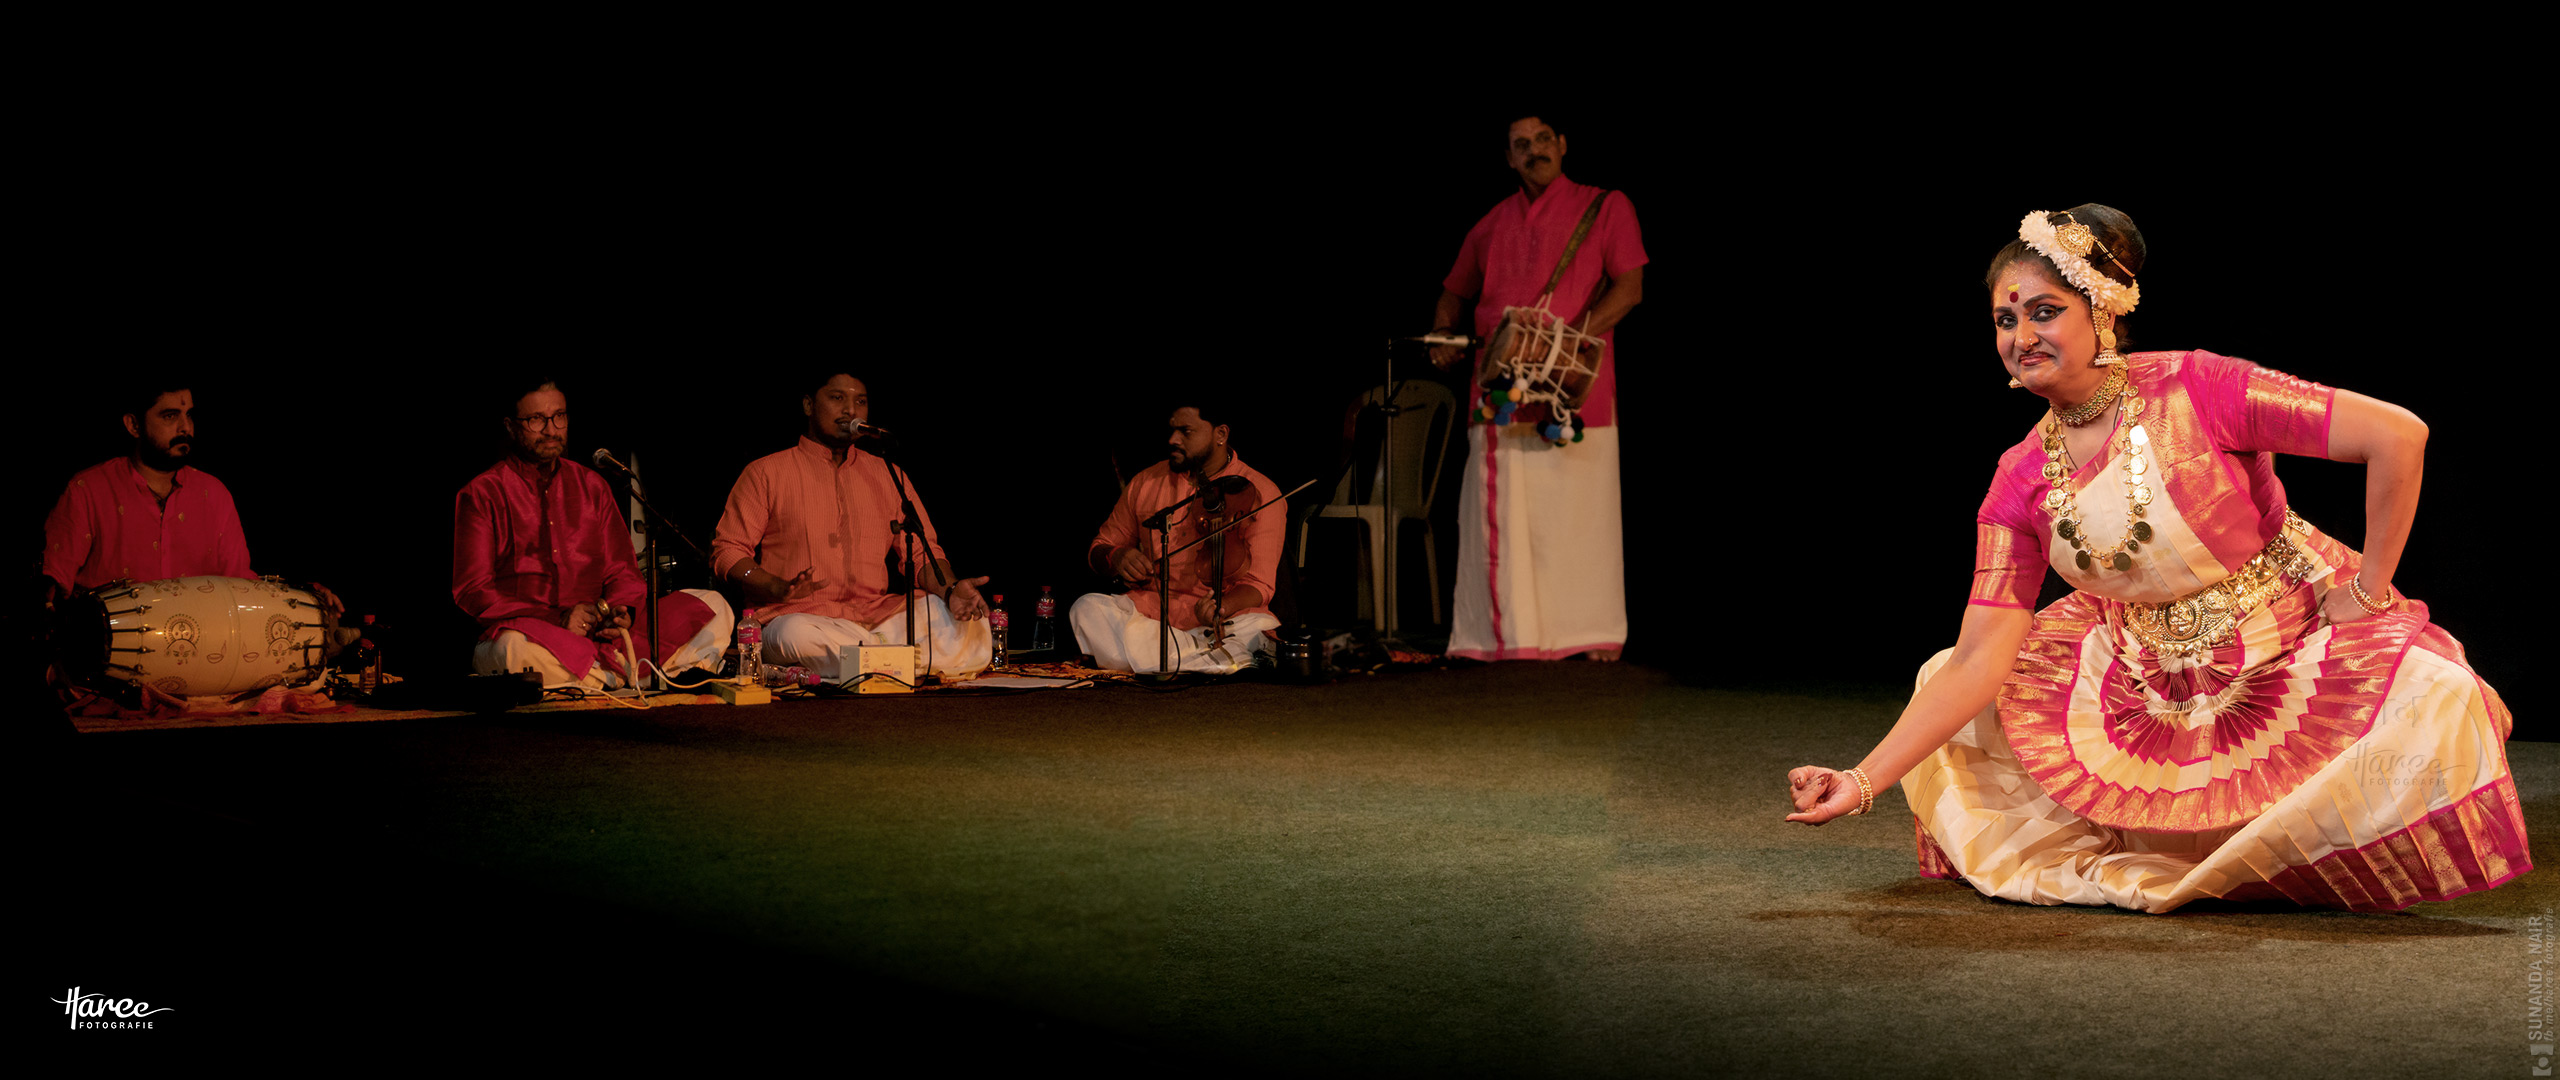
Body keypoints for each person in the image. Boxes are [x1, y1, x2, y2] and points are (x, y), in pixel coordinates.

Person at [1783, 206, 2526, 913]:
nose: (2020, 336)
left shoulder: (2199, 388)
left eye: (2044, 312)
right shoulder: (2018, 477)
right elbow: (1981, 657)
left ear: (2102, 313)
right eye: (2005, 321)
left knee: (2438, 698)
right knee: (1939, 675)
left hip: (2289, 638)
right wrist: (1862, 778)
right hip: (2140, 681)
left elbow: (2397, 436)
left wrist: (2369, 590)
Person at [1430, 112, 1646, 662]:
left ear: (1564, 145)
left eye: (1543, 139)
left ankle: (1589, 634)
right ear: (1509, 159)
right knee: (1505, 520)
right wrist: (1443, 333)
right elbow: (1454, 291)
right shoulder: (1492, 222)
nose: (1534, 150)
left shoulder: (1605, 206)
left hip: (1574, 391)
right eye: (1520, 145)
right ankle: (1504, 638)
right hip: (1501, 393)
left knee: (1578, 518)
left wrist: (1569, 341)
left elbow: (1630, 288)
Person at [452, 378, 733, 690]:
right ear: (510, 426)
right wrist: (556, 618)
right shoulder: (482, 493)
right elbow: (473, 591)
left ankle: (600, 678)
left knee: (712, 604)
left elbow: (622, 571)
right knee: (511, 650)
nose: (551, 429)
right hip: (536, 633)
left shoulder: (591, 486)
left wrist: (621, 610)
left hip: (602, 635)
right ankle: (636, 675)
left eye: (559, 416)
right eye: (536, 420)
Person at [711, 374, 989, 681]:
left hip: (877, 618)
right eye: (837, 398)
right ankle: (896, 662)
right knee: (795, 635)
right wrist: (775, 586)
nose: (850, 410)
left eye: (861, 401)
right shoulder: (766, 472)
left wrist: (950, 591)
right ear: (808, 405)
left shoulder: (887, 473)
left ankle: (869, 664)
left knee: (962, 620)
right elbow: (728, 551)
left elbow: (924, 551)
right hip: (800, 616)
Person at [1073, 403, 1285, 675]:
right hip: (1152, 615)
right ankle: (1209, 662)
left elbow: (1259, 584)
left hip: (1221, 622)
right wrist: (1116, 557)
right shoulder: (1146, 481)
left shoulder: (1262, 492)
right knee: (1087, 609)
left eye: (1186, 432)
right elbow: (1098, 548)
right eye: (1172, 430)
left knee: (1253, 629)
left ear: (1220, 434)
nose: (1173, 440)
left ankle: (1158, 660)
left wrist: (1221, 607)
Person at [42, 383, 253, 599]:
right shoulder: (88, 491)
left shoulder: (214, 494)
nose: (186, 428)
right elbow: (53, 581)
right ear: (134, 425)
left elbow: (241, 587)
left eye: (188, 415)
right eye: (170, 416)